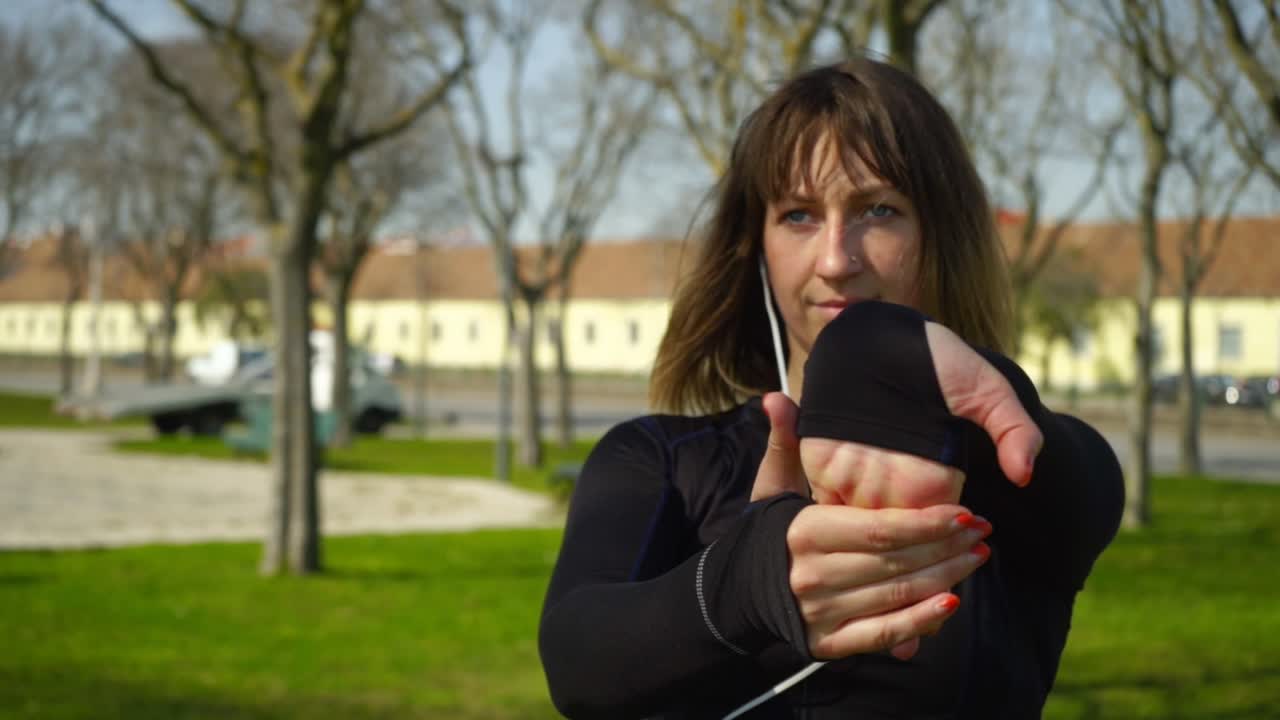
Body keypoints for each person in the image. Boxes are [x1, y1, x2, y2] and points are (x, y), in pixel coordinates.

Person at [539, 57, 1124, 719]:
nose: (836, 259)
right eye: (798, 215)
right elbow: (578, 664)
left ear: (943, 237)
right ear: (754, 246)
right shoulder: (660, 459)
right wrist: (749, 581)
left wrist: (875, 353)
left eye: (879, 209)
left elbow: (1085, 486)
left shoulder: (1015, 465)